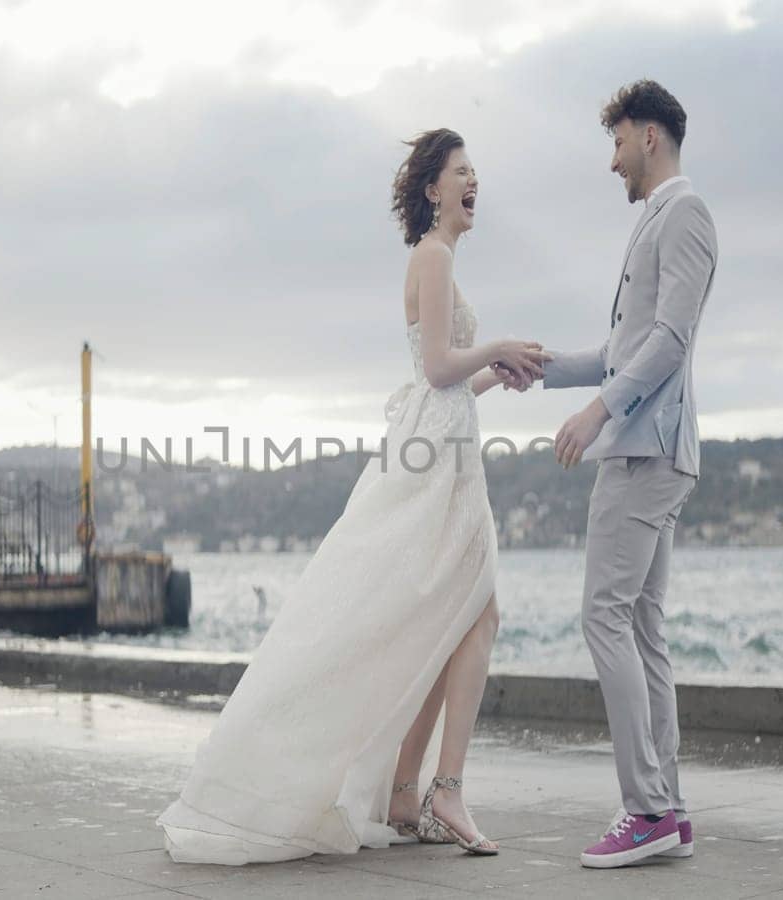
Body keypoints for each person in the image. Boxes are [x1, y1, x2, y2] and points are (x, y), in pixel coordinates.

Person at [156, 128, 550, 865]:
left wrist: (502, 372)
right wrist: (493, 348)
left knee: (455, 615)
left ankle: (412, 794)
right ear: (433, 189)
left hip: (444, 448)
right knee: (475, 610)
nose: (474, 185)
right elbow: (436, 366)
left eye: (477, 175)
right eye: (462, 173)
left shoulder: (442, 262)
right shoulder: (432, 256)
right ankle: (441, 790)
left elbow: (452, 378)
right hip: (435, 463)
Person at [543, 80, 720, 869]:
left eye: (616, 144)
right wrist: (537, 368)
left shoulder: (683, 213)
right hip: (654, 447)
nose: (611, 162)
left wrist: (597, 414)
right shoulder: (657, 219)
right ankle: (668, 807)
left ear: (649, 136)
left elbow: (671, 341)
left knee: (602, 618)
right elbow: (624, 348)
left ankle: (645, 807)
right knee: (643, 628)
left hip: (645, 451)